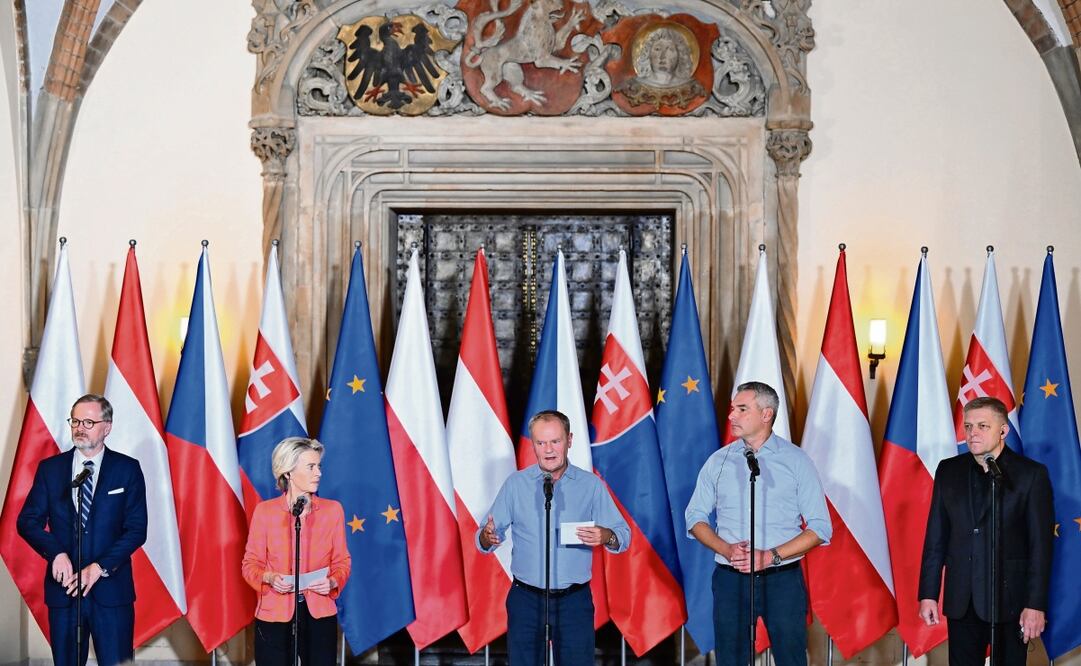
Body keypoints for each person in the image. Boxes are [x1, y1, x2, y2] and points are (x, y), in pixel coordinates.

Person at [685, 381, 831, 666]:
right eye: (732, 409)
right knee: (731, 659)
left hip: (782, 579)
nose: (731, 416)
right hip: (731, 580)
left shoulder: (796, 461)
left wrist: (770, 556)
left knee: (791, 659)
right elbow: (694, 518)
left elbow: (820, 528)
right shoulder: (718, 462)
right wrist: (726, 549)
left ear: (766, 414)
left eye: (742, 409)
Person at [477, 410, 630, 666]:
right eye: (541, 443)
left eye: (555, 441)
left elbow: (623, 536)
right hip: (526, 600)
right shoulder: (516, 485)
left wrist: (607, 535)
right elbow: (484, 536)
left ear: (569, 440)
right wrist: (487, 536)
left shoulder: (590, 485)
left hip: (573, 602)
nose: (548, 450)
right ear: (533, 444)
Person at [918, 396, 1054, 666]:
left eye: (982, 426)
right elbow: (936, 537)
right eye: (968, 427)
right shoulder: (948, 470)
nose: (973, 433)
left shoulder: (1031, 475)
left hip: (1011, 600)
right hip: (962, 599)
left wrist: (1035, 604)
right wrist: (928, 593)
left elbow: (1041, 546)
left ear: (1003, 431)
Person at [16, 394, 147, 666]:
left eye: (89, 421)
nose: (80, 427)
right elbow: (27, 520)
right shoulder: (51, 470)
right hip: (64, 594)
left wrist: (99, 567)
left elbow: (136, 530)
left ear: (107, 427)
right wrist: (56, 554)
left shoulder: (127, 470)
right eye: (75, 420)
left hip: (111, 593)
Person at [242, 437, 351, 666]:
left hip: (319, 613)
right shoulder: (265, 512)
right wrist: (269, 577)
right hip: (274, 613)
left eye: (319, 466)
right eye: (311, 467)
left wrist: (332, 582)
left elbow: (342, 562)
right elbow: (250, 565)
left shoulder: (333, 511)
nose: (318, 473)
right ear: (288, 472)